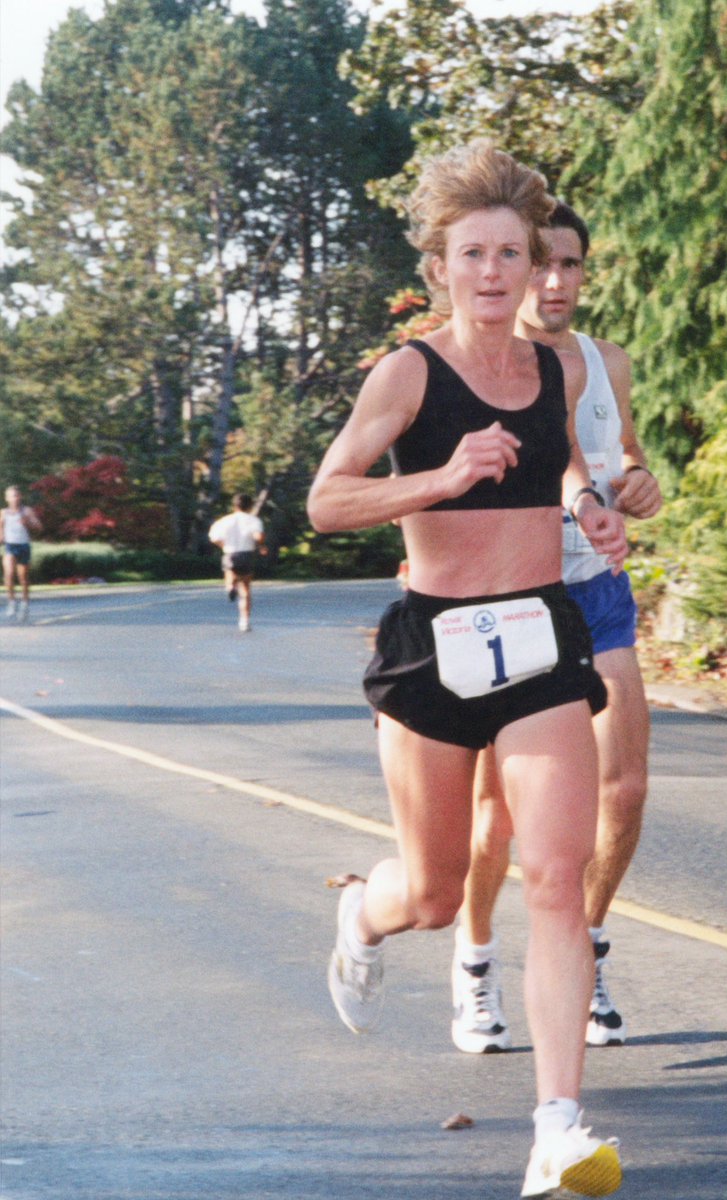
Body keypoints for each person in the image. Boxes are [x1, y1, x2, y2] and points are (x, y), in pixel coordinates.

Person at [308, 141, 628, 1198]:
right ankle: (364, 911)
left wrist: (595, 504)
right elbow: (326, 501)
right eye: (472, 254)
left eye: (511, 253)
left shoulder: (563, 367)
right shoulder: (407, 372)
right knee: (438, 894)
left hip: (537, 640)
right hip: (433, 648)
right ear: (440, 268)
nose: (495, 273)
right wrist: (441, 477)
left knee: (551, 875)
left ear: (535, 262)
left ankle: (556, 1131)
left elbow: (581, 465)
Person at [450, 202, 663, 1059]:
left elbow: (623, 454)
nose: (554, 282)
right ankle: (474, 964)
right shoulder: (476, 366)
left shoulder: (604, 361)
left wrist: (640, 480)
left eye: (569, 265)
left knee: (624, 790)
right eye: (541, 265)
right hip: (511, 599)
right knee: (499, 812)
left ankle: (586, 948)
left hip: (596, 590)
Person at [208, 493, 267, 632]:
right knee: (245, 589)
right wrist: (262, 545)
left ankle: (230, 587)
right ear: (250, 505)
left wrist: (223, 545)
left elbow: (214, 538)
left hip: (230, 552)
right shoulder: (253, 520)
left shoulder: (224, 521)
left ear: (234, 505)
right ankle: (244, 621)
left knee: (230, 573)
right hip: (246, 554)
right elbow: (258, 536)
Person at [1, 485, 42, 624]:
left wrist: (28, 523)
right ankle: (12, 602)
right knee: (9, 574)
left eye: (17, 495)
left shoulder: (27, 511)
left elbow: (38, 527)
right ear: (6, 498)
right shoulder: (3, 513)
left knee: (23, 578)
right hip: (10, 547)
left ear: (20, 497)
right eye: (12, 496)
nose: (15, 498)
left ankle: (24, 604)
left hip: (24, 546)